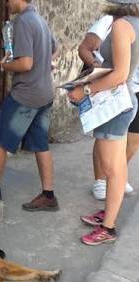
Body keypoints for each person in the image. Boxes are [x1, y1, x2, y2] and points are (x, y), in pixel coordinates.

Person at [0, 0, 59, 212]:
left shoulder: (23, 21)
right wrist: (44, 63)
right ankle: (48, 195)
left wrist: (4, 65)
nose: (5, 2)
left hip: (26, 95)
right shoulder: (40, 20)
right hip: (44, 93)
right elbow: (54, 50)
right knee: (41, 143)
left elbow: (25, 64)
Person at [68, 0, 139, 245]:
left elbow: (119, 74)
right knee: (116, 166)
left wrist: (85, 90)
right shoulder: (133, 24)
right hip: (123, 101)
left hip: (116, 104)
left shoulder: (121, 25)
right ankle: (109, 214)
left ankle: (108, 228)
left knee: (113, 168)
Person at [79, 13, 139, 200]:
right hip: (114, 89)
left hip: (132, 88)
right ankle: (102, 180)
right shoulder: (112, 21)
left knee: (132, 139)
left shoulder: (133, 24)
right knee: (106, 137)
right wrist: (98, 70)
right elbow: (85, 49)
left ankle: (115, 177)